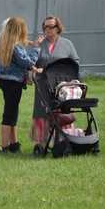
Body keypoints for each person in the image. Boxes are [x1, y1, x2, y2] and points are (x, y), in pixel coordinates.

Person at [31, 16, 80, 155]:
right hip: (42, 83)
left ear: (58, 28)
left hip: (62, 84)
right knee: (42, 111)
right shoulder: (40, 44)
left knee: (62, 110)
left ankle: (66, 139)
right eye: (45, 27)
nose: (47, 29)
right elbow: (32, 62)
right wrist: (35, 48)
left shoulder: (67, 44)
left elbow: (75, 61)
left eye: (51, 26)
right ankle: (41, 142)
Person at [0, 16, 39, 154]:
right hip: (14, 82)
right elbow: (27, 63)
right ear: (20, 30)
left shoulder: (2, 42)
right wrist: (36, 48)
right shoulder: (16, 46)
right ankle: (4, 146)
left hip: (3, 80)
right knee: (9, 113)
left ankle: (14, 143)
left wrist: (27, 42)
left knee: (12, 111)